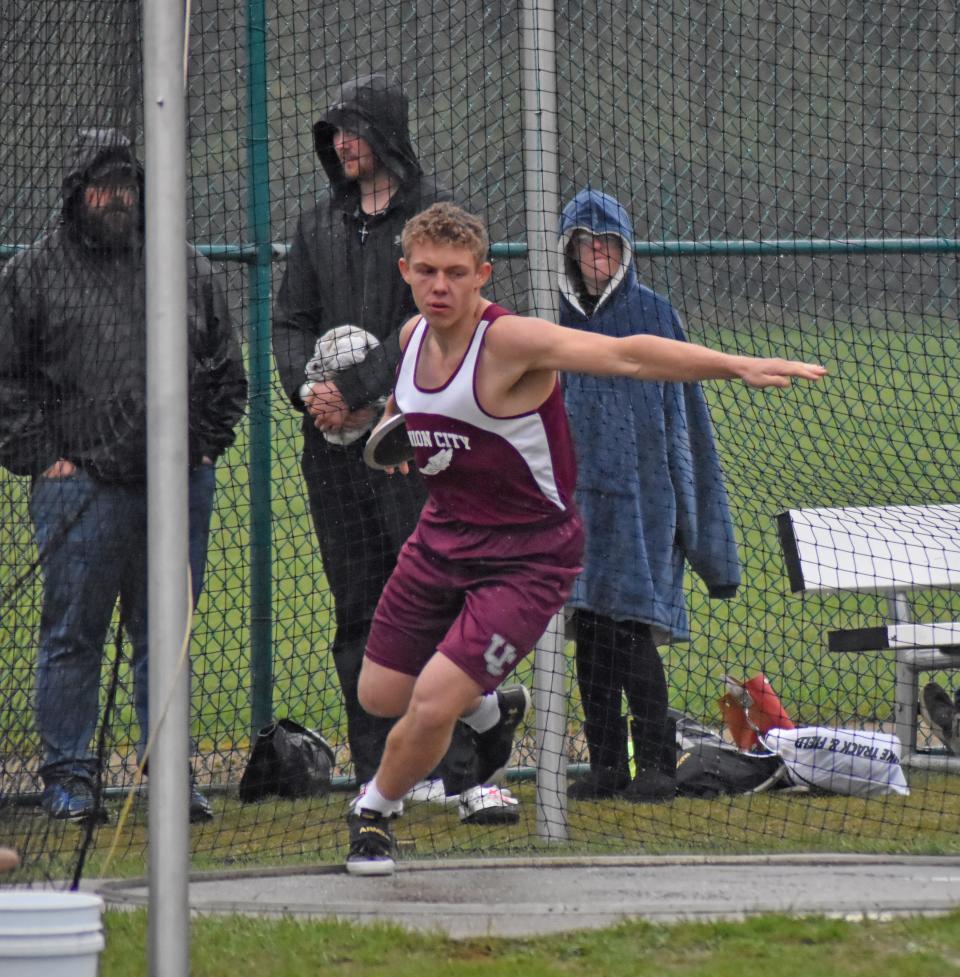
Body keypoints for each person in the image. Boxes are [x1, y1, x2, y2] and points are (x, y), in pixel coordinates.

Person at [344, 201, 827, 875]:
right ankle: (487, 708)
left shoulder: (511, 341)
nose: (440, 287)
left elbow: (626, 356)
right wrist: (396, 427)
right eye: (426, 272)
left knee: (426, 707)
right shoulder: (411, 339)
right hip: (443, 538)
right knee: (379, 696)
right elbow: (410, 403)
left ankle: (374, 813)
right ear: (406, 271)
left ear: (483, 274)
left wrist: (734, 364)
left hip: (529, 556)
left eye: (457, 273)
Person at [272, 74, 518, 824]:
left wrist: (367, 391)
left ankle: (466, 774)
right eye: (335, 135)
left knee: (441, 608)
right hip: (336, 453)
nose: (344, 145)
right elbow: (289, 323)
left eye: (355, 131)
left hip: (419, 447)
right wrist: (309, 394)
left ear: (388, 135)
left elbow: (439, 329)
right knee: (361, 614)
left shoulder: (434, 221)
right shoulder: (317, 228)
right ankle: (384, 777)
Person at [0, 128, 247, 822]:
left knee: (164, 636)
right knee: (73, 634)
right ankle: (69, 778)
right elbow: (6, 381)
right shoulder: (32, 274)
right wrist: (46, 459)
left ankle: (168, 777)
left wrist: (203, 447)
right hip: (79, 491)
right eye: (102, 185)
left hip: (177, 484)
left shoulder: (186, 268)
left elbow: (227, 371)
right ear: (76, 192)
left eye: (127, 184)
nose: (115, 197)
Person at [557, 188, 743, 802]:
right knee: (589, 637)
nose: (596, 255)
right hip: (574, 513)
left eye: (607, 244)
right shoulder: (548, 322)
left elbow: (687, 428)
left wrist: (705, 539)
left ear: (625, 249)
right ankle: (607, 765)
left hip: (643, 510)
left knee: (633, 634)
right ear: (568, 251)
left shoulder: (654, 315)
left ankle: (658, 763)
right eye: (584, 244)